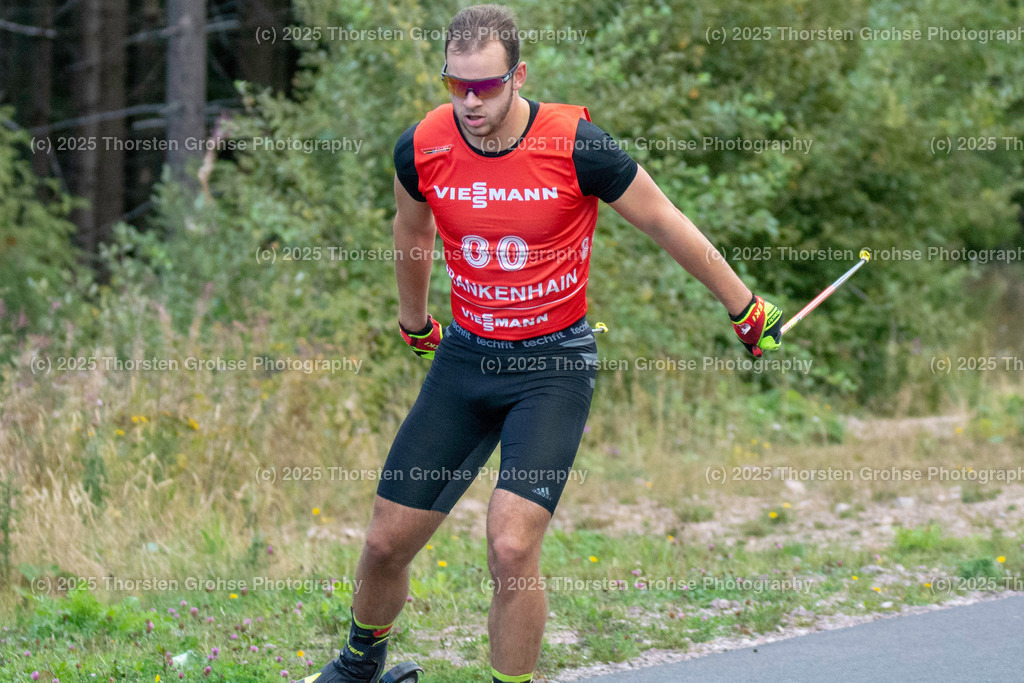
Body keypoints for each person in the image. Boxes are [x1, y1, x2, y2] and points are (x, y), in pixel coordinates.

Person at [311, 5, 782, 682]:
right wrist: (414, 323)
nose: (471, 102)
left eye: (488, 86)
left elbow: (663, 219)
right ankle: (359, 666)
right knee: (385, 541)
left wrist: (744, 306)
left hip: (552, 366)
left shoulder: (576, 143)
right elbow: (411, 235)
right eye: (457, 85)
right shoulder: (423, 146)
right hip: (467, 358)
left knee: (509, 543)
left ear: (519, 75)